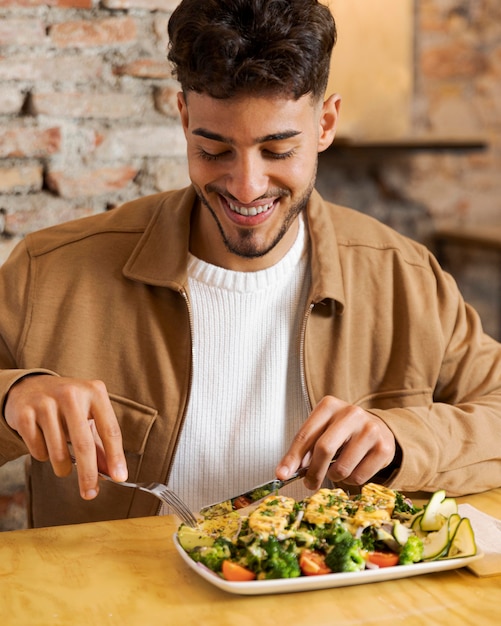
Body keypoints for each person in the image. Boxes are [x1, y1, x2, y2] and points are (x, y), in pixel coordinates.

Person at [1, 0, 501, 528]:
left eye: (278, 150)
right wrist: (12, 396)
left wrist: (401, 440)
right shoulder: (50, 270)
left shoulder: (405, 277)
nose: (246, 187)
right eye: (214, 150)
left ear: (325, 123)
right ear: (184, 117)